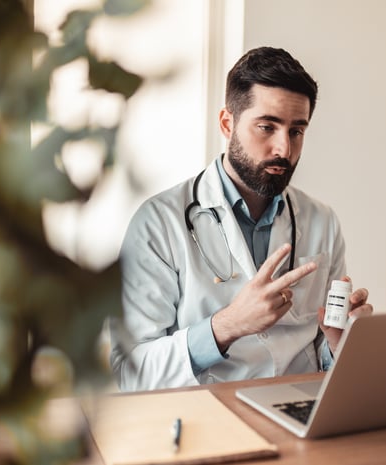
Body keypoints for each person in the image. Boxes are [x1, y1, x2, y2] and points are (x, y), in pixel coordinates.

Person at [110, 46, 372, 391]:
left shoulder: (322, 221)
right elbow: (129, 372)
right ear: (227, 123)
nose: (284, 149)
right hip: (202, 419)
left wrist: (340, 345)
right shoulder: (158, 223)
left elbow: (321, 355)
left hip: (294, 410)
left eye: (297, 131)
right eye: (267, 127)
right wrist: (227, 326)